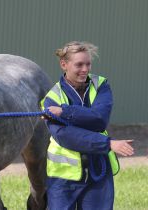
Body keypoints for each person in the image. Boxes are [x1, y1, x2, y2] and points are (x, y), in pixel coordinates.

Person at [40, 41, 134, 210]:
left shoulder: (101, 85)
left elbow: (99, 120)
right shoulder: (51, 99)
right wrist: (108, 144)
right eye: (79, 64)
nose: (85, 69)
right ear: (64, 65)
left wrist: (64, 112)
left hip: (98, 171)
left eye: (88, 64)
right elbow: (65, 136)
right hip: (63, 177)